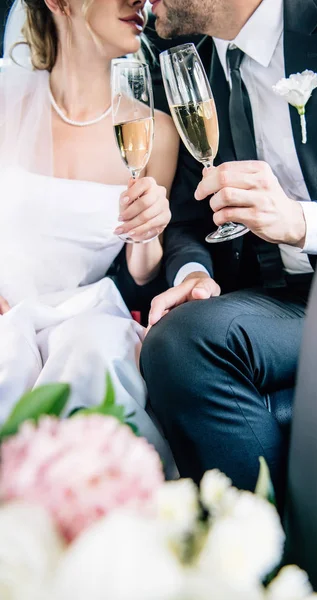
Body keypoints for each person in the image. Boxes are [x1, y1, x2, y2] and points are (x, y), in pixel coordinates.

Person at [140, 0, 317, 503]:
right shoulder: (187, 60)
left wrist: (305, 222)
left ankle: (274, 571)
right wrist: (194, 274)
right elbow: (188, 217)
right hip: (279, 303)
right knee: (176, 341)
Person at [0, 0, 179, 475]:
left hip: (83, 316)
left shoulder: (153, 131)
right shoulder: (3, 95)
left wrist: (149, 226)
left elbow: (143, 271)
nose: (136, 2)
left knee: (91, 353)